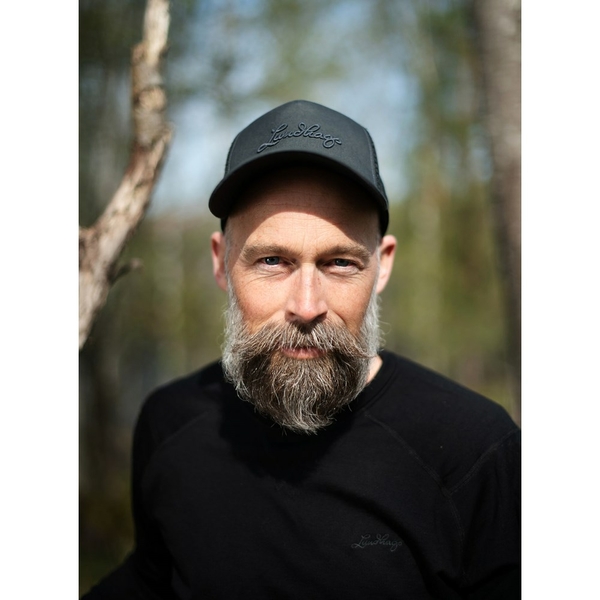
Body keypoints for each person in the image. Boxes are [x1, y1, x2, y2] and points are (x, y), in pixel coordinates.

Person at [83, 100, 520, 599]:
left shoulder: (475, 453)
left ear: (383, 265)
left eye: (340, 263)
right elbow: (152, 581)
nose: (307, 306)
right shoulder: (170, 425)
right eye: (272, 261)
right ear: (222, 263)